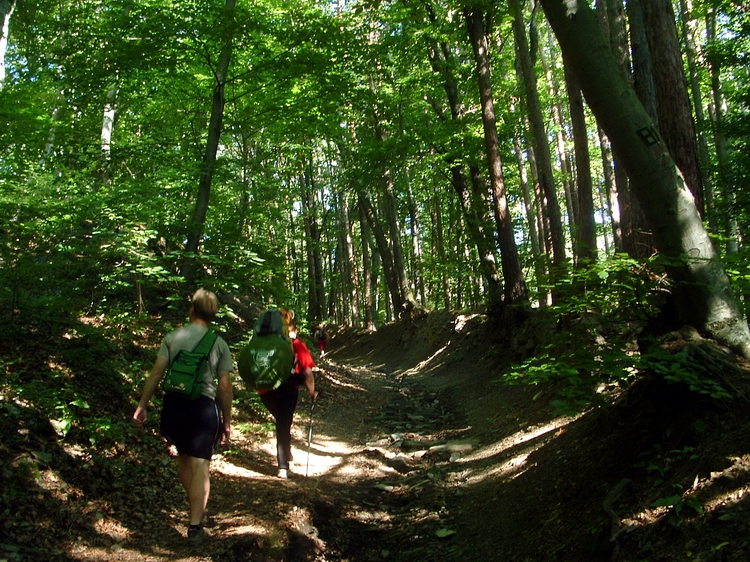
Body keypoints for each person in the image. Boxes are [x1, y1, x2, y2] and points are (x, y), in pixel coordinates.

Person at [132, 288, 234, 545]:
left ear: (191, 309)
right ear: (213, 315)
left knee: (184, 457)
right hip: (203, 408)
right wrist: (227, 421)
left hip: (174, 406)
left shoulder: (172, 337)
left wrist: (142, 404)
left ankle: (196, 509)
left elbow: (156, 374)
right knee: (201, 465)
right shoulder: (219, 343)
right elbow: (224, 387)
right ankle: (195, 525)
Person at [258, 315, 318, 479]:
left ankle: (287, 453)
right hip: (288, 389)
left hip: (265, 390)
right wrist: (312, 392)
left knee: (283, 422)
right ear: (294, 330)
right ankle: (283, 466)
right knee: (283, 424)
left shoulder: (266, 343)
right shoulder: (297, 344)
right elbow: (308, 373)